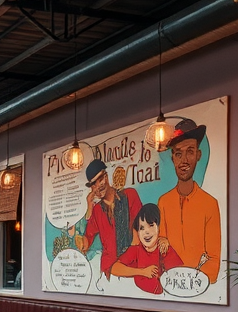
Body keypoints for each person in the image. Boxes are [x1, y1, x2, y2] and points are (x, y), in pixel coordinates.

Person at [156, 118, 222, 283]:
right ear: (172, 158)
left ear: (198, 155)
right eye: (178, 153)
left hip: (198, 288)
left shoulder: (210, 204)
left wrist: (189, 281)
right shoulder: (163, 202)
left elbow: (214, 263)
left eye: (190, 151)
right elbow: (159, 253)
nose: (184, 160)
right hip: (168, 286)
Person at [78, 158, 142, 278]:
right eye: (93, 184)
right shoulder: (97, 210)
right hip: (110, 271)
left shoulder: (130, 195)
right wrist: (89, 208)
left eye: (100, 180)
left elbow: (140, 229)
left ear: (106, 177)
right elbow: (86, 241)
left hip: (133, 266)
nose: (97, 186)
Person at [111, 204, 185, 295]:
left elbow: (179, 276)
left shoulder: (164, 249)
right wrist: (142, 272)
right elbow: (114, 268)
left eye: (150, 225)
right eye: (142, 228)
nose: (146, 232)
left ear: (159, 227)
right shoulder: (136, 250)